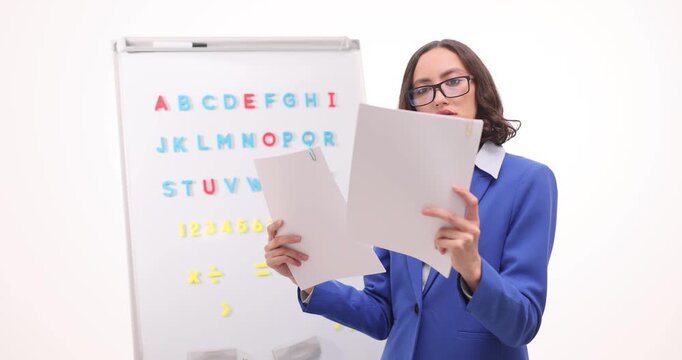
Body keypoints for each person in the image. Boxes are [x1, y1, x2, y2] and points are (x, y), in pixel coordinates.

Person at [264, 39, 558, 360]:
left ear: (480, 89)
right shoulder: (398, 183)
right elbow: (382, 315)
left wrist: (473, 269)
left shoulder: (527, 181)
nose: (440, 98)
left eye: (454, 81)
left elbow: (522, 325)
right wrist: (309, 280)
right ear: (413, 104)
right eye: (423, 90)